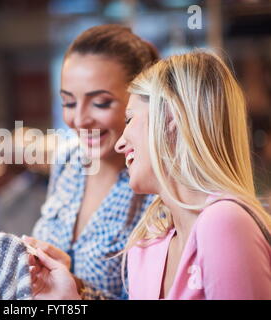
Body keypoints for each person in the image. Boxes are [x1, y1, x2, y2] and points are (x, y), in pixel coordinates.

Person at [28, 51, 271, 300]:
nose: (121, 143)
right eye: (68, 102)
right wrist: (71, 298)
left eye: (130, 119)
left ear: (171, 118)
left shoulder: (223, 221)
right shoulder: (147, 244)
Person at [22, 24, 159, 299]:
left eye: (100, 103)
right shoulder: (68, 159)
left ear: (142, 102)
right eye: (69, 103)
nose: (80, 120)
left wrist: (77, 290)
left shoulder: (157, 188)